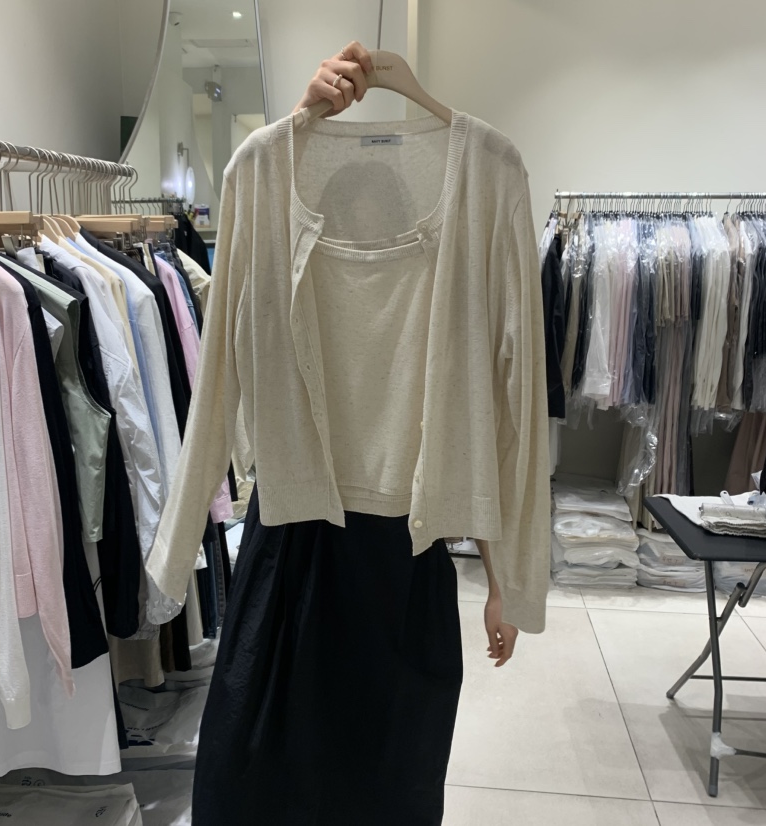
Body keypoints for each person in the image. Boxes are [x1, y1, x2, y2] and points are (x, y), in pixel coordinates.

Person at [190, 41, 520, 826]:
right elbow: (219, 380)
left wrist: (504, 579)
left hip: (401, 555)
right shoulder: (271, 219)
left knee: (385, 784)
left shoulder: (457, 259)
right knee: (256, 779)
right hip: (295, 548)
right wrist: (299, 119)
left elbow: (490, 428)